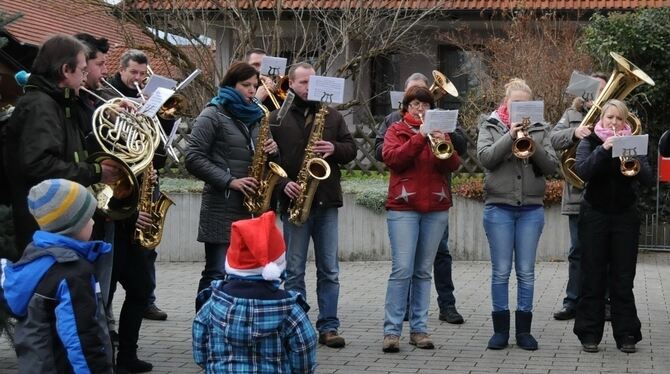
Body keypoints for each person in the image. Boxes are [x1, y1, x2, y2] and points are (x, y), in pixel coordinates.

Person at [3, 34, 121, 254]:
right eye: (83, 70)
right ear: (66, 70)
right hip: (45, 228)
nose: (85, 78)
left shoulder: (61, 102)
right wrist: (95, 171)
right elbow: (39, 166)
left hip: (57, 224)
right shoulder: (41, 106)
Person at [269, 62, 356, 348]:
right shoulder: (275, 118)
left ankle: (329, 326)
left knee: (329, 269)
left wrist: (335, 149)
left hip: (326, 200)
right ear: (290, 84)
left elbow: (351, 149)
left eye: (312, 82)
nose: (309, 87)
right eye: (303, 82)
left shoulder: (331, 115)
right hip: (294, 200)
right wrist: (283, 185)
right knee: (294, 270)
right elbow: (268, 163)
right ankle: (298, 326)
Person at [185, 61, 279, 312]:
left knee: (246, 273)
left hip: (250, 207)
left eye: (254, 86)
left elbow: (261, 154)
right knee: (216, 272)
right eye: (245, 85)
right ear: (231, 85)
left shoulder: (258, 116)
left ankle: (234, 327)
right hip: (221, 205)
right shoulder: (212, 114)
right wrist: (230, 181)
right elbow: (193, 158)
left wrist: (272, 150)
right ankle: (205, 326)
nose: (251, 90)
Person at [375, 72, 467, 324]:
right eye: (415, 103)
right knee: (403, 268)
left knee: (430, 265)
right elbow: (389, 157)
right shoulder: (394, 126)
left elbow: (456, 161)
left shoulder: (441, 126)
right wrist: (419, 136)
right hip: (405, 206)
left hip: (435, 203)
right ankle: (393, 327)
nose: (420, 108)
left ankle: (425, 322)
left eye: (425, 103)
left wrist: (442, 140)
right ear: (405, 103)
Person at [477, 78, 558, 351]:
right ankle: (500, 331)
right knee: (501, 272)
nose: (521, 108)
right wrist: (509, 136)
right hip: (499, 207)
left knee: (526, 272)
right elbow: (486, 158)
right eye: (516, 104)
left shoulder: (541, 128)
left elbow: (550, 167)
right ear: (505, 103)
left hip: (531, 209)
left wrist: (531, 143)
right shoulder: (489, 125)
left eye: (527, 104)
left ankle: (524, 332)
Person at [0, 179, 113, 373]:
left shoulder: (34, 258)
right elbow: (81, 338)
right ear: (72, 225)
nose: (93, 222)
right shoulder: (73, 272)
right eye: (88, 218)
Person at [573, 99, 652, 353]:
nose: (614, 123)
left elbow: (649, 179)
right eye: (610, 118)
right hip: (594, 215)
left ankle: (627, 333)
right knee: (592, 276)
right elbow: (582, 171)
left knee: (623, 277)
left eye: (619, 119)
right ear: (602, 119)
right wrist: (604, 150)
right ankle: (589, 333)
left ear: (626, 122)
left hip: (624, 217)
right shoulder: (590, 142)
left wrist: (632, 157)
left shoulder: (634, 143)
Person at [192, 211, 317, 373]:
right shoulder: (291, 310)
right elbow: (304, 361)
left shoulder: (211, 305)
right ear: (277, 264)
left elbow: (200, 355)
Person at [103, 49, 169, 324]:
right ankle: (106, 311)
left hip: (146, 178)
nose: (139, 79)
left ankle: (145, 300)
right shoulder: (108, 96)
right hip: (118, 183)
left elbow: (161, 153)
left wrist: (163, 119)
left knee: (145, 249)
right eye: (134, 73)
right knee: (115, 255)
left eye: (143, 74)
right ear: (121, 71)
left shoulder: (150, 98)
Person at [550, 74, 608, 321]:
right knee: (577, 251)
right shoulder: (571, 114)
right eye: (594, 88)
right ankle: (572, 302)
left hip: (605, 193)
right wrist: (576, 132)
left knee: (605, 253)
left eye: (604, 89)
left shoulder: (613, 116)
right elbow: (553, 139)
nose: (598, 93)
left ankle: (604, 303)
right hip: (577, 193)